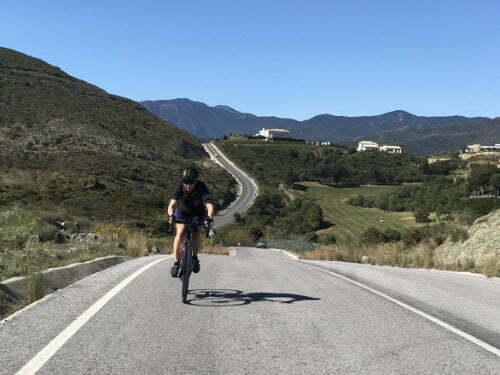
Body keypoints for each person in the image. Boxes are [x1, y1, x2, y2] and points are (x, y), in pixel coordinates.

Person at [167, 167, 215, 277]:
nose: (187, 186)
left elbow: (209, 206)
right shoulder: (180, 186)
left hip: (198, 213)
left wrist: (209, 217)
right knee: (180, 232)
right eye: (185, 183)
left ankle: (195, 257)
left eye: (190, 183)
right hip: (183, 212)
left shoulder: (201, 187)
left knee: (197, 232)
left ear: (195, 181)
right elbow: (171, 205)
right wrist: (171, 216)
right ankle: (176, 263)